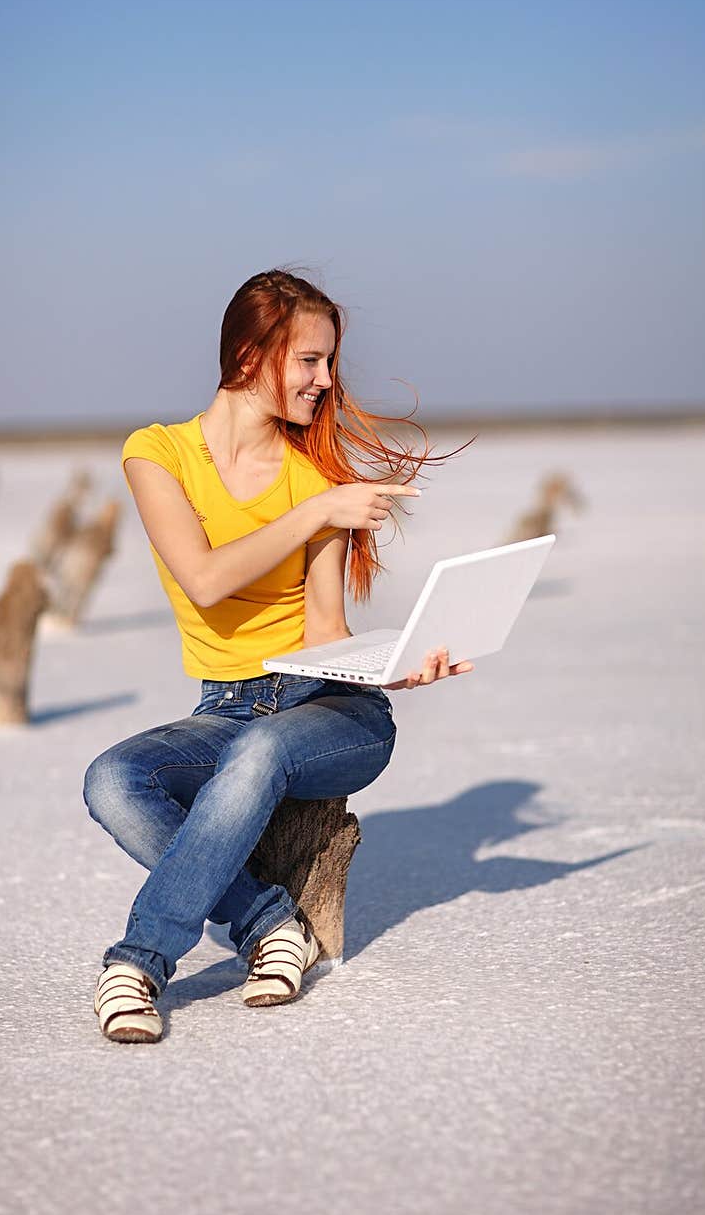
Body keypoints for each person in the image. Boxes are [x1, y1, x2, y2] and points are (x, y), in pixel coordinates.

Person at [83, 267, 474, 1043]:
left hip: (331, 712)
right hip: (226, 703)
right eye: (310, 361)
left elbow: (325, 632)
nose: (327, 381)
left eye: (330, 362)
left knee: (263, 748)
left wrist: (395, 667)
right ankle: (269, 922)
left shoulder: (313, 479)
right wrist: (319, 511)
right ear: (250, 354)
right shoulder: (157, 454)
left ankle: (139, 960)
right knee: (114, 779)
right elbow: (202, 578)